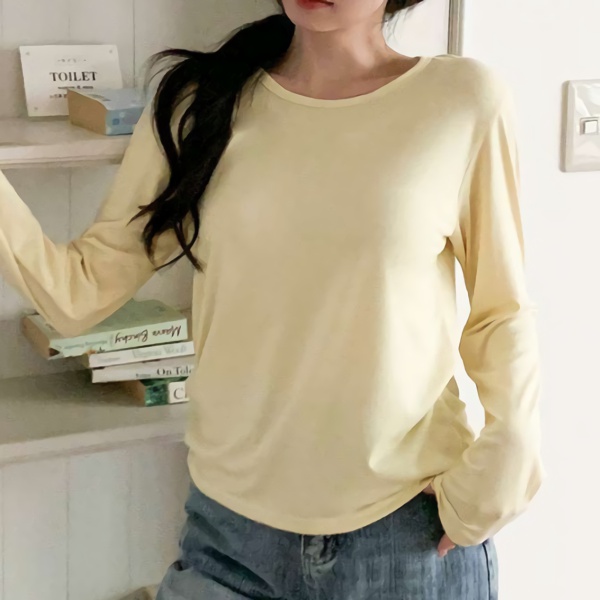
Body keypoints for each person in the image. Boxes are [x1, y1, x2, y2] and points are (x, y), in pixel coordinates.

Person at [0, 0, 544, 598]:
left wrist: (503, 467)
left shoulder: (461, 100)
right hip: (228, 538)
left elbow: (501, 311)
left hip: (402, 538)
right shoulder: (199, 103)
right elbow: (77, 292)